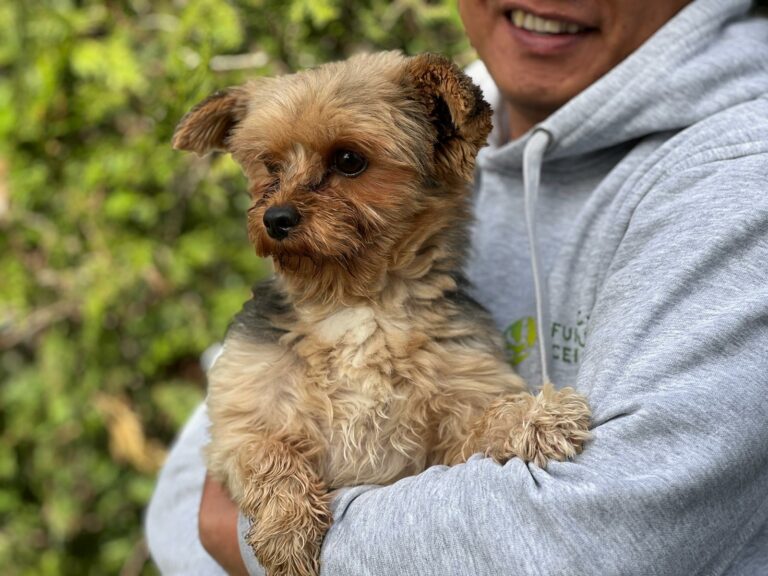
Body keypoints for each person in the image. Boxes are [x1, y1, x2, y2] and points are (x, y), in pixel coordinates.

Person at [146, 0, 768, 573]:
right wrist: (262, 492)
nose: (283, 207)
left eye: (349, 164)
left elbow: (604, 540)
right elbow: (186, 514)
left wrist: (284, 545)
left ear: (448, 139)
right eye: (272, 168)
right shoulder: (416, 107)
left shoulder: (740, 178)